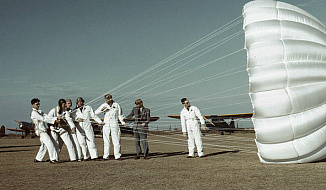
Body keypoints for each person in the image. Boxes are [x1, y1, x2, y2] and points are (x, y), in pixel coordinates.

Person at [95, 94, 125, 161]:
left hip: (114, 123)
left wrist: (123, 123)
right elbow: (95, 113)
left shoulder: (116, 105)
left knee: (116, 140)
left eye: (108, 99)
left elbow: (120, 115)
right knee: (106, 141)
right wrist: (102, 110)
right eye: (106, 99)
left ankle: (117, 155)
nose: (107, 100)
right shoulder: (104, 105)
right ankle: (106, 156)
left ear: (111, 98)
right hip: (106, 124)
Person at [30, 98, 59, 164]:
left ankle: (38, 158)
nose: (38, 105)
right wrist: (54, 121)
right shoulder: (34, 113)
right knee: (50, 144)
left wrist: (56, 118)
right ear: (33, 105)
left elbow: (47, 116)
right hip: (41, 131)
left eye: (39, 104)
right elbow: (43, 119)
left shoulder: (39, 112)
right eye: (37, 104)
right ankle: (53, 159)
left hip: (43, 131)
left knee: (44, 146)